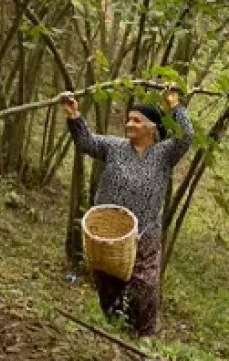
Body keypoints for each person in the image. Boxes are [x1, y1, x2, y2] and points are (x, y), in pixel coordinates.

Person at [60, 87, 193, 337]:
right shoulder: (114, 147)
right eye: (128, 119)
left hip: (145, 234)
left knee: (144, 286)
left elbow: (186, 136)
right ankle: (116, 333)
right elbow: (86, 142)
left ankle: (144, 337)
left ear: (152, 127)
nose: (129, 124)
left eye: (136, 120)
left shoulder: (164, 154)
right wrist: (74, 115)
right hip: (109, 233)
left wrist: (174, 105)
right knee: (109, 285)